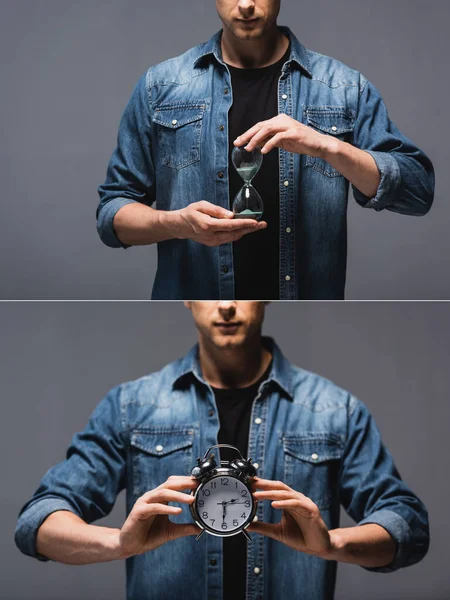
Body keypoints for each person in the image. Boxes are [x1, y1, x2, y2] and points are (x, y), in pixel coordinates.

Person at [15, 302, 428, 600]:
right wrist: (119, 544)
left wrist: (331, 545)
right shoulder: (131, 407)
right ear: (187, 297)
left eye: (243, 291)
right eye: (211, 292)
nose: (227, 305)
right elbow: (38, 523)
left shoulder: (335, 410)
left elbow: (407, 528)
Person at [96, 1, 434, 301]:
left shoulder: (342, 88)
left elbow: (418, 192)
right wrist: (175, 224)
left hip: (305, 317)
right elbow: (111, 215)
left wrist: (331, 146)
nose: (245, 5)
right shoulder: (162, 87)